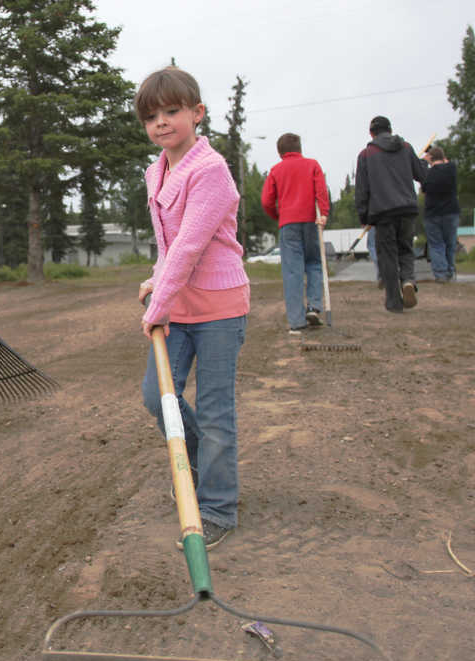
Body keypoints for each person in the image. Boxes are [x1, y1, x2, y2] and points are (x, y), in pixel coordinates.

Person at [134, 66, 249, 550]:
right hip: (177, 304)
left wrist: (158, 302)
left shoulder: (211, 171)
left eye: (172, 111)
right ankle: (201, 466)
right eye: (152, 116)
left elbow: (191, 246)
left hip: (219, 308)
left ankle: (219, 506)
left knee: (217, 408)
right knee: (155, 395)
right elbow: (168, 247)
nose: (162, 122)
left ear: (197, 114)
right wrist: (156, 281)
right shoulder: (155, 170)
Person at [354, 115, 427, 313]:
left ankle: (394, 301)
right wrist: (423, 164)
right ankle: (408, 281)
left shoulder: (366, 154)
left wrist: (364, 216)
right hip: (407, 208)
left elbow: (362, 189)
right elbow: (422, 176)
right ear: (390, 129)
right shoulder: (406, 147)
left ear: (371, 133)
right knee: (406, 249)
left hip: (383, 212)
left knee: (387, 256)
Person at [260, 133, 330, 334]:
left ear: (279, 151)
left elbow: (266, 200)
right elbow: (321, 191)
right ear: (300, 148)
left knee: (293, 271)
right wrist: (323, 213)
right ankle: (315, 307)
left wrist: (277, 215)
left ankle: (297, 320)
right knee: (315, 263)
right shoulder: (312, 165)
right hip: (311, 221)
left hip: (288, 223)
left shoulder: (276, 170)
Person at [421, 146, 460, 282]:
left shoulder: (428, 173)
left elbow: (424, 190)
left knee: (437, 244)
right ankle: (450, 271)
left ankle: (440, 273)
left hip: (433, 213)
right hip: (451, 211)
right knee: (450, 243)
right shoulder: (452, 168)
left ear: (431, 158)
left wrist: (425, 161)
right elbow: (446, 161)